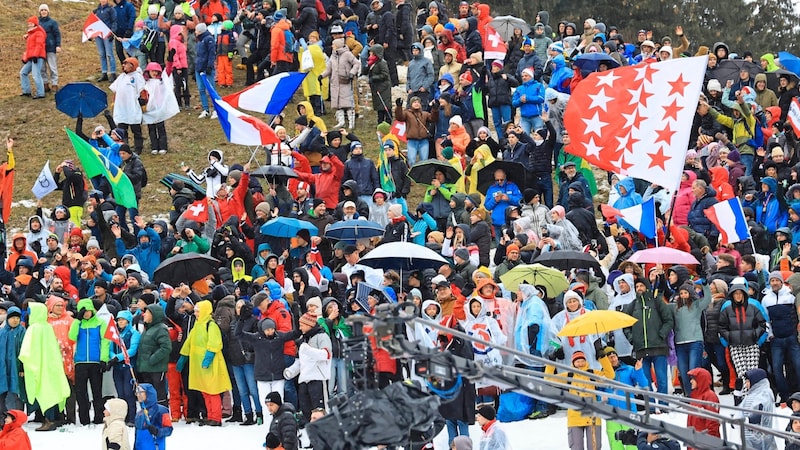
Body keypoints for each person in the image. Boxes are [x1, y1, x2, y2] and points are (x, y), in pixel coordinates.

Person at [177, 300, 232, 426]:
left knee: (212, 391)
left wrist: (208, 359)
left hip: (210, 364)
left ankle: (216, 417)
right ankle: (210, 415)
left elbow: (215, 344)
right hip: (197, 364)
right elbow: (189, 342)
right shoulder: (197, 324)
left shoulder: (211, 325)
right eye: (195, 311)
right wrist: (183, 357)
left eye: (197, 311)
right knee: (205, 391)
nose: (195, 313)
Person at [68, 299, 110, 425]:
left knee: (97, 391)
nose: (86, 313)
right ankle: (84, 419)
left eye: (88, 311)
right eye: (83, 312)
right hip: (80, 362)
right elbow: (72, 336)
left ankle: (98, 417)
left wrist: (104, 359)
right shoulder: (78, 323)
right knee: (81, 392)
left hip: (95, 361)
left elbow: (105, 341)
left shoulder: (100, 323)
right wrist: (77, 320)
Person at [110, 57, 146, 155]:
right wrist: (113, 101)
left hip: (132, 107)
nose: (124, 66)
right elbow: (115, 90)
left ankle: (138, 148)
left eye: (126, 64)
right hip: (121, 108)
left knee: (136, 130)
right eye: (124, 64)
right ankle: (124, 147)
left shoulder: (137, 77)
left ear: (132, 65)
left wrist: (143, 100)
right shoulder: (121, 77)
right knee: (122, 130)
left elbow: (142, 90)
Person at [734, 368, 777, 450]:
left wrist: (746, 420)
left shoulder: (765, 394)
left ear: (756, 382)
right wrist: (737, 394)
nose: (746, 385)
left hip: (761, 439)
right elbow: (741, 409)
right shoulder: (751, 394)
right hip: (748, 437)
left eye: (747, 382)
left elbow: (762, 415)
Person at [685, 367, 720, 450]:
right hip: (694, 442)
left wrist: (705, 443)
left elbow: (713, 423)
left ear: (700, 379)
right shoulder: (695, 396)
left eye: (693, 379)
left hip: (705, 444)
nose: (691, 381)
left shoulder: (710, 396)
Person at [484, 169, 522, 243]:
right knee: (499, 246)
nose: (499, 182)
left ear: (505, 177)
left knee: (511, 244)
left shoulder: (512, 186)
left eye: (501, 179)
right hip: (497, 222)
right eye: (497, 180)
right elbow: (487, 206)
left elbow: (520, 201)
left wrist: (509, 198)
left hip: (510, 222)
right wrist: (494, 200)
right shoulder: (492, 188)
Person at [0, 307, 25, 417]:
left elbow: (25, 351)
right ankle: (4, 415)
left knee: (16, 391)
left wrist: (22, 367)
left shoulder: (22, 332)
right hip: (3, 367)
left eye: (17, 318)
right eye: (12, 317)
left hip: (17, 367)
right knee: (3, 390)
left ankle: (16, 415)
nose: (15, 320)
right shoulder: (2, 332)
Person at [134, 383, 173, 450]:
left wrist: (157, 431)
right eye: (137, 392)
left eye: (141, 392)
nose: (138, 395)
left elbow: (169, 430)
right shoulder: (139, 414)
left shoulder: (161, 410)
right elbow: (137, 435)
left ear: (149, 393)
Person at [20, 15, 47, 99]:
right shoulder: (31, 33)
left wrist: (35, 55)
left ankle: (40, 93)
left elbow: (39, 45)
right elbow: (30, 47)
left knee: (36, 74)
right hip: (32, 57)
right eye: (29, 23)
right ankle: (26, 91)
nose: (29, 24)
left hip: (37, 57)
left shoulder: (39, 33)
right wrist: (26, 57)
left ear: (35, 24)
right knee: (23, 72)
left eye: (31, 23)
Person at [195, 22, 217, 119]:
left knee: (211, 89)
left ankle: (216, 110)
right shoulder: (199, 40)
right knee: (201, 89)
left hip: (206, 68)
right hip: (199, 68)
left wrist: (209, 66)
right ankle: (206, 109)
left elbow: (212, 54)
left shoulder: (209, 39)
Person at [37, 4, 61, 93]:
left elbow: (57, 34)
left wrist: (58, 45)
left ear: (48, 12)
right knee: (42, 68)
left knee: (52, 67)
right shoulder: (37, 23)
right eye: (42, 10)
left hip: (50, 47)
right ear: (40, 12)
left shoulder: (52, 22)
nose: (43, 12)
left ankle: (54, 84)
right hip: (40, 49)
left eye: (45, 10)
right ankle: (45, 84)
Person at [94, 0, 117, 82]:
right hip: (98, 35)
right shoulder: (97, 10)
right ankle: (104, 73)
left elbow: (114, 21)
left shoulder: (111, 9)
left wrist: (112, 32)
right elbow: (93, 22)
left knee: (109, 54)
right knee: (101, 54)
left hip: (107, 34)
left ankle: (113, 73)